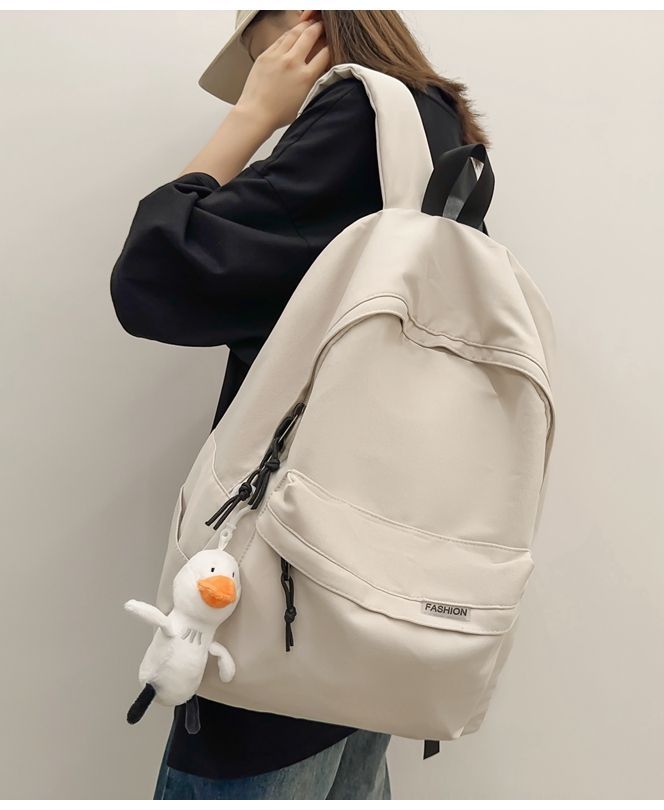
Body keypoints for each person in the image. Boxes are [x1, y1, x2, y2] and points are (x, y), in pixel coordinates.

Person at [110, 9, 491, 801]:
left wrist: (250, 117)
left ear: (304, 25)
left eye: (259, 50)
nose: (264, 73)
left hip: (289, 582)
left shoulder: (354, 118)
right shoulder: (438, 129)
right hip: (374, 582)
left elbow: (154, 275)